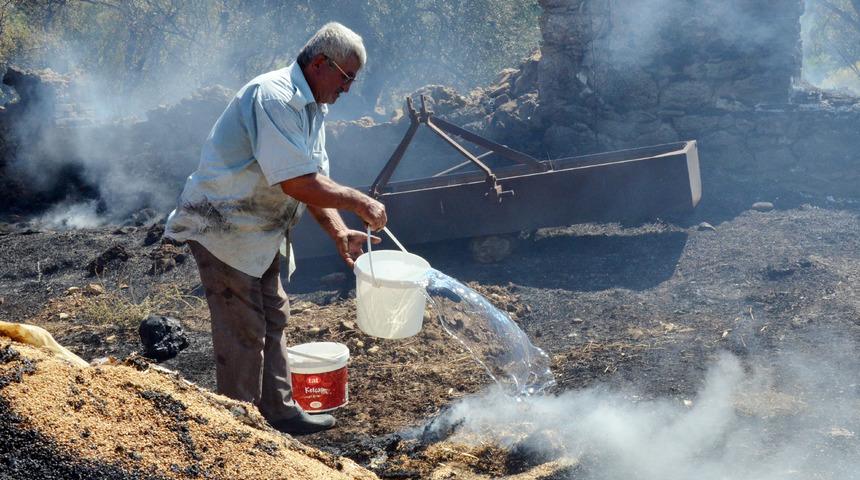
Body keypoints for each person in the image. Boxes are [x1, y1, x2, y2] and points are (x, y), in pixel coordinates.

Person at [164, 22, 386, 435]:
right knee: (244, 329)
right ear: (320, 63)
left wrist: (339, 232)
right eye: (347, 77)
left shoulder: (313, 108)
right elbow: (297, 182)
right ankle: (240, 431)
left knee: (274, 316)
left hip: (258, 231)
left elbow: (311, 180)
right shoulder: (275, 97)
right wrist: (359, 201)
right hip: (224, 226)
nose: (348, 89)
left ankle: (279, 412)